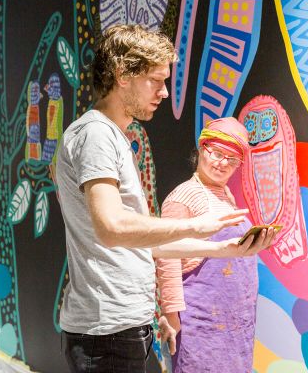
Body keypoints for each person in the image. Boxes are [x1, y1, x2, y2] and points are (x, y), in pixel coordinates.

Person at [55, 24, 276, 373]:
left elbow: (140, 243)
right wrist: (195, 225)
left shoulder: (113, 137)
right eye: (155, 81)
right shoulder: (96, 133)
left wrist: (223, 249)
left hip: (124, 326)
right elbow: (112, 227)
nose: (163, 92)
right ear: (122, 74)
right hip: (107, 332)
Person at [155, 117, 260, 372]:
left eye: (231, 159)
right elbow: (167, 258)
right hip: (200, 324)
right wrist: (171, 315)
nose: (222, 163)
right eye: (216, 153)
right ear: (202, 149)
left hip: (236, 324)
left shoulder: (227, 197)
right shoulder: (182, 197)